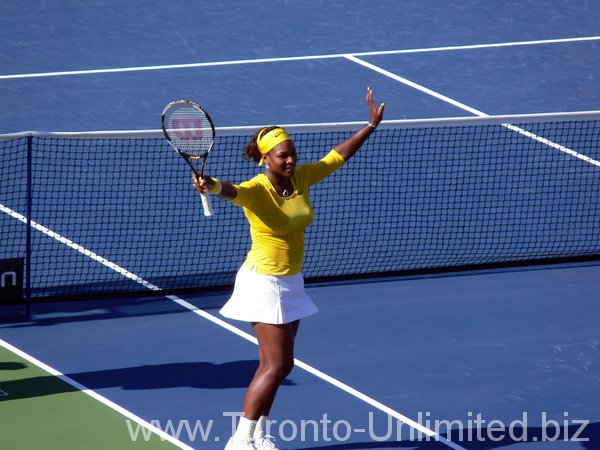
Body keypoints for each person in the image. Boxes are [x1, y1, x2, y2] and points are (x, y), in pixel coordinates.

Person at [193, 88, 384, 450]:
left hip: (290, 281)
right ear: (266, 159)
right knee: (278, 365)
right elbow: (231, 191)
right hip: (263, 283)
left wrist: (369, 126)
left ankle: (260, 435)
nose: (291, 160)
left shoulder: (301, 180)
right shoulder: (256, 189)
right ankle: (239, 440)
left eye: (293, 153)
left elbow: (336, 157)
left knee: (278, 366)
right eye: (283, 155)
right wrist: (212, 185)